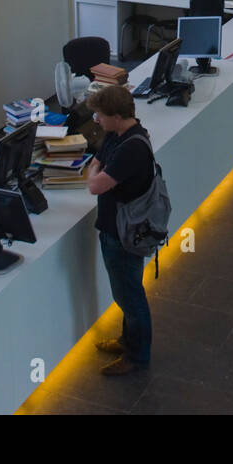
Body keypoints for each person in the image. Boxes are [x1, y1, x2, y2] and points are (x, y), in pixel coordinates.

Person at [86, 85, 155, 375]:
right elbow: (97, 161)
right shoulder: (120, 135)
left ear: (115, 115)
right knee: (126, 292)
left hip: (122, 235)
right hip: (115, 228)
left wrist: (95, 171)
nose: (96, 120)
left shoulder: (132, 147)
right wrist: (97, 167)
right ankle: (128, 341)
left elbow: (94, 184)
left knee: (130, 296)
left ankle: (137, 357)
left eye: (100, 115)